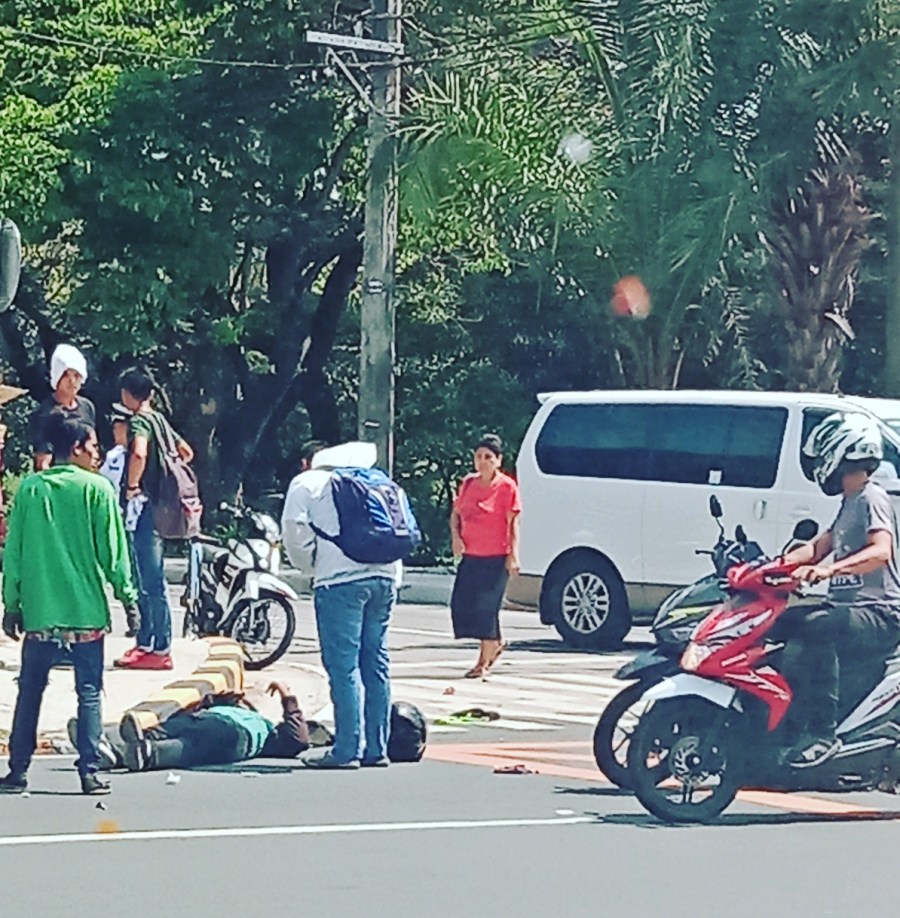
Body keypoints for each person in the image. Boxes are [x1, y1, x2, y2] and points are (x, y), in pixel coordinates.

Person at [0, 414, 138, 795]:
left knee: (30, 691)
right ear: (76, 448)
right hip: (85, 614)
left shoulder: (31, 489)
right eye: (92, 446)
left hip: (40, 613)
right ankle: (89, 772)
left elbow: (14, 553)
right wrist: (128, 599)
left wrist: (11, 604)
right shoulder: (98, 490)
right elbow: (113, 555)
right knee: (89, 691)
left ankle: (17, 770)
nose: (97, 454)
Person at [784, 412, 900, 768]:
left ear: (842, 452)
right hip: (849, 611)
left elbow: (881, 551)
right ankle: (785, 722)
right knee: (781, 622)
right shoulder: (850, 502)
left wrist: (829, 570)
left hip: (881, 613)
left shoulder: (871, 498)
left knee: (817, 627)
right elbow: (817, 547)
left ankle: (822, 733)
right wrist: (771, 568)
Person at [281, 440, 398, 769]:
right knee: (375, 663)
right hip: (385, 577)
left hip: (339, 582)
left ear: (310, 462)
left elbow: (294, 528)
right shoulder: (378, 480)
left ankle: (347, 749)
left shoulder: (307, 482)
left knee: (344, 666)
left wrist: (311, 565)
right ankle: (377, 748)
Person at [114, 367, 194, 671]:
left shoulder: (140, 422)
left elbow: (139, 453)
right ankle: (146, 642)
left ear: (128, 394)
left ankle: (160, 647)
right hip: (163, 506)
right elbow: (186, 452)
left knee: (149, 578)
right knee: (146, 577)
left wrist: (133, 486)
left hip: (146, 505)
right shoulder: (159, 419)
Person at [449, 433, 521, 678]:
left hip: (496, 556)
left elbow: (513, 523)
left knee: (486, 610)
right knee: (462, 605)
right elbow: (456, 515)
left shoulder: (507, 487)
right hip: (472, 555)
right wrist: (456, 538)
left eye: (488, 457)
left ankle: (483, 662)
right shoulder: (468, 483)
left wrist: (513, 555)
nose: (483, 461)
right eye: (479, 456)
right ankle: (496, 643)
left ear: (498, 460)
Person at [118, 681, 310, 771]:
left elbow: (299, 739)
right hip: (202, 718)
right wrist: (223, 698)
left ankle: (148, 753)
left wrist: (286, 694)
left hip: (235, 734)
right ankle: (119, 752)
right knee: (170, 728)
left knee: (192, 746)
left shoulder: (269, 734)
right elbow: (195, 707)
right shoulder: (224, 707)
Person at [30, 343, 96, 470]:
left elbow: (92, 446)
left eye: (76, 375)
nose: (72, 381)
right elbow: (43, 462)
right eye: (66, 375)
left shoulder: (87, 407)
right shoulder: (44, 414)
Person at [99, 402, 131, 491]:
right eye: (114, 428)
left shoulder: (143, 453)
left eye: (117, 428)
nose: (115, 432)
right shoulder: (113, 455)